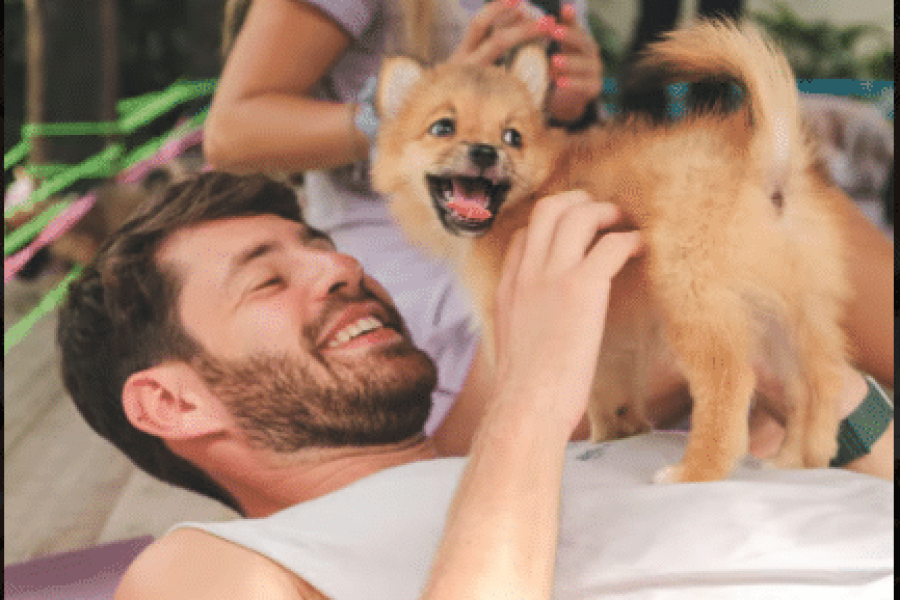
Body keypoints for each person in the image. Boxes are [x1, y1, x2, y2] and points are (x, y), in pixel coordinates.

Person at [57, 172, 892, 599]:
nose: (343, 267)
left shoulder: (587, 453)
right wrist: (535, 385)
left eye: (323, 246)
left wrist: (805, 373)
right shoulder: (208, 567)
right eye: (267, 281)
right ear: (171, 402)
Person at [203, 0, 605, 448]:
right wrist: (410, 111)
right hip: (408, 262)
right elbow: (231, 133)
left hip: (515, 231)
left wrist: (569, 106)